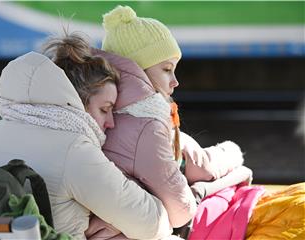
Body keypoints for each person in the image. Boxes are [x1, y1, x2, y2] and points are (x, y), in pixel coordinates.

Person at [86, 5, 305, 240]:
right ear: (138, 71)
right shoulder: (145, 125)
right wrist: (232, 152)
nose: (176, 81)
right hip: (200, 223)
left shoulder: (106, 114)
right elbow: (194, 181)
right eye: (167, 69)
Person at [0, 32, 174, 239]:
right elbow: (151, 223)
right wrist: (114, 223)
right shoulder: (74, 149)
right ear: (76, 102)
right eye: (104, 109)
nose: (111, 122)